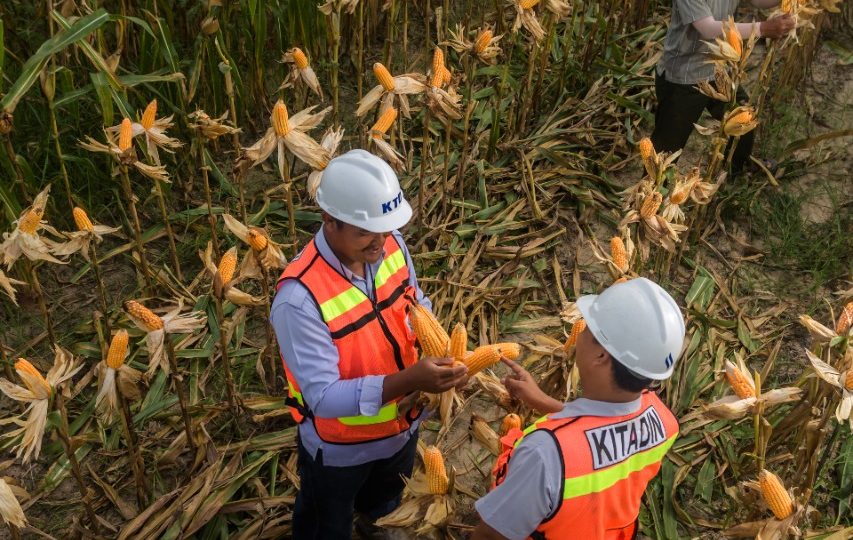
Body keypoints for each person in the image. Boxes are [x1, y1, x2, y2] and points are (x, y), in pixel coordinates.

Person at [271, 149, 468, 539]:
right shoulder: (299, 300)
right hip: (340, 452)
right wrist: (410, 380)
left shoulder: (390, 244)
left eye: (385, 227)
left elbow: (416, 302)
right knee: (326, 526)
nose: (380, 241)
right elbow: (323, 398)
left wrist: (443, 348)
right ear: (329, 221)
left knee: (384, 506)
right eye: (365, 232)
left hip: (402, 432)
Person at [472, 278, 686, 540]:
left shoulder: (544, 455)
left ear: (600, 356)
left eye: (587, 329)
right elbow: (605, 433)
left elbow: (492, 535)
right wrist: (542, 401)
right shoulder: (664, 421)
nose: (580, 333)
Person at [652, 0, 796, 175]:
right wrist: (762, 29)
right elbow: (708, 28)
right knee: (667, 148)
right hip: (684, 77)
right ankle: (652, 193)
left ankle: (738, 168)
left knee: (744, 116)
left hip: (717, 69)